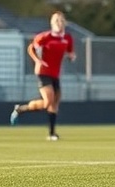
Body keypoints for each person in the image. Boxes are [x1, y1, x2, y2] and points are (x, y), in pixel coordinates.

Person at [10, 11, 76, 140]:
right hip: (43, 71)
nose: (59, 23)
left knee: (53, 103)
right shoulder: (45, 37)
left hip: (55, 73)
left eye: (61, 21)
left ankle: (51, 133)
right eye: (56, 21)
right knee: (49, 100)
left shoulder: (67, 38)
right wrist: (37, 60)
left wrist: (72, 56)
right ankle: (20, 110)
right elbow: (31, 48)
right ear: (52, 23)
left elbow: (70, 52)